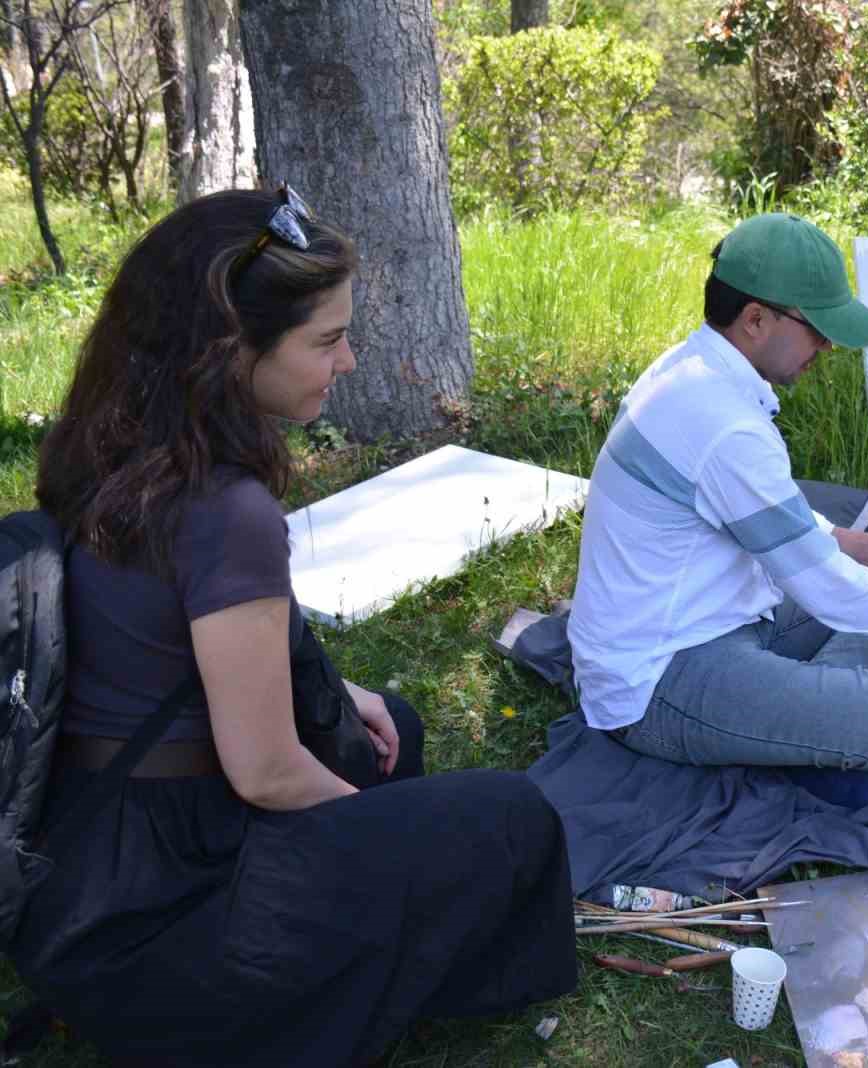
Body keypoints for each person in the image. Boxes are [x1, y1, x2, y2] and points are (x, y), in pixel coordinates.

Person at [12, 188, 577, 1067]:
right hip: (161, 925)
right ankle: (293, 1016)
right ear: (228, 351)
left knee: (388, 727)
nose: (348, 359)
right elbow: (267, 771)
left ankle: (343, 974)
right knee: (509, 816)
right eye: (326, 340)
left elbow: (154, 646)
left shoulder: (114, 446)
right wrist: (394, 845)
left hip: (86, 871)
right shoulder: (225, 510)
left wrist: (349, 704)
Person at [568, 212, 868, 771]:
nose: (829, 346)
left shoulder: (690, 370)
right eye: (817, 328)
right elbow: (812, 576)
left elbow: (764, 510)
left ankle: (808, 715)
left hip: (718, 610)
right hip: (657, 676)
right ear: (756, 319)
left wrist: (864, 546)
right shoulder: (721, 420)